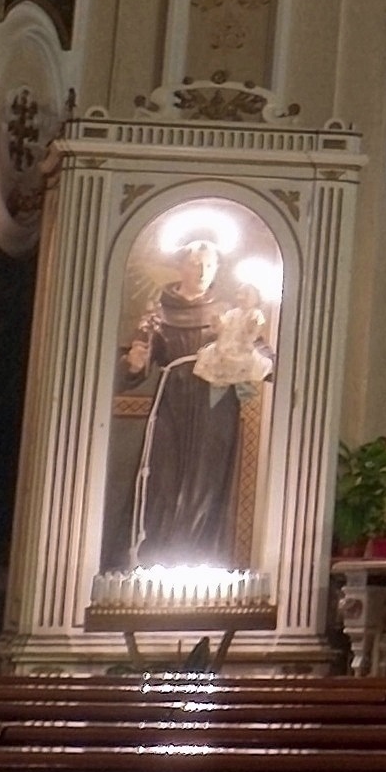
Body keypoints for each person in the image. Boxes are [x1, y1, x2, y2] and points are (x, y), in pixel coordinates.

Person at [119, 239, 248, 568]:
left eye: (209, 265)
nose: (202, 271)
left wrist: (244, 353)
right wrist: (136, 361)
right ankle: (157, 557)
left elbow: (252, 353)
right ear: (181, 266)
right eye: (195, 264)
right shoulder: (159, 309)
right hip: (173, 399)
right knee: (164, 476)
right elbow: (140, 358)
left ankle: (197, 557)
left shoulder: (225, 312)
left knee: (205, 483)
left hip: (214, 405)